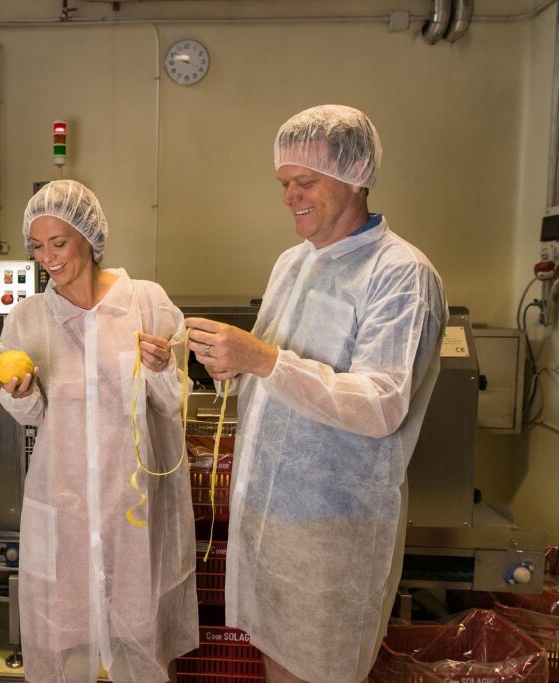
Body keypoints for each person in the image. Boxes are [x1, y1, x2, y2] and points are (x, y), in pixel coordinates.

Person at [185, 105, 447, 683]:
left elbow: (379, 404)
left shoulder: (401, 274)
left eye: (305, 182)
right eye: (284, 184)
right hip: (267, 523)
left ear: (355, 176)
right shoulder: (292, 263)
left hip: (333, 537)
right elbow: (281, 370)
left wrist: (260, 358)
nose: (290, 197)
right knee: (279, 668)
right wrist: (235, 365)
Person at [0, 180, 197, 683]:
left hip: (134, 509)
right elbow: (35, 415)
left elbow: (174, 402)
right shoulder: (29, 319)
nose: (47, 258)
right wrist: (20, 396)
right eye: (37, 247)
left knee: (140, 646)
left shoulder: (146, 303)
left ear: (89, 237)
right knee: (64, 646)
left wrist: (161, 367)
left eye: (57, 243)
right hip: (63, 506)